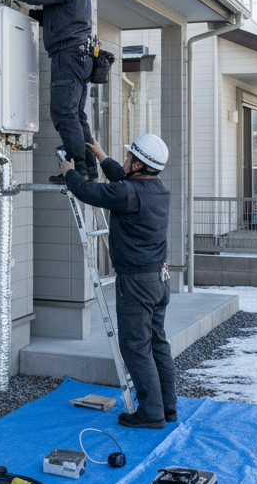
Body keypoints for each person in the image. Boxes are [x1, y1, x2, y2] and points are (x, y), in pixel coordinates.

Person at [60, 133, 176, 429]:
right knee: (157, 343)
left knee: (136, 347)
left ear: (138, 164)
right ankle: (167, 408)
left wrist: (69, 172)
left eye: (128, 157)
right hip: (158, 280)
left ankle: (151, 414)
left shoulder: (129, 193)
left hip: (137, 283)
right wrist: (100, 155)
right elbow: (123, 181)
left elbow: (90, 192)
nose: (125, 161)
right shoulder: (158, 188)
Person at [0, 0, 96, 180]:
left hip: (68, 55)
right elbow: (57, 17)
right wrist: (27, 13)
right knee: (76, 115)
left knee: (64, 113)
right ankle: (88, 166)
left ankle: (77, 169)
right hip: (79, 56)